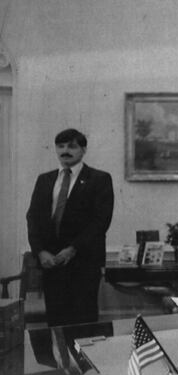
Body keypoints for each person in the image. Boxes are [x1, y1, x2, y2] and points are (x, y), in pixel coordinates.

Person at [26, 128, 114, 326]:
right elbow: (33, 218)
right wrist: (40, 252)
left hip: (83, 262)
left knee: (83, 322)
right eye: (61, 146)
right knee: (56, 323)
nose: (65, 150)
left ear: (83, 149)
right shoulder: (45, 179)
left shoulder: (99, 179)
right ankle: (59, 359)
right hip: (51, 263)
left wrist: (73, 249)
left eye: (72, 146)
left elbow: (100, 221)